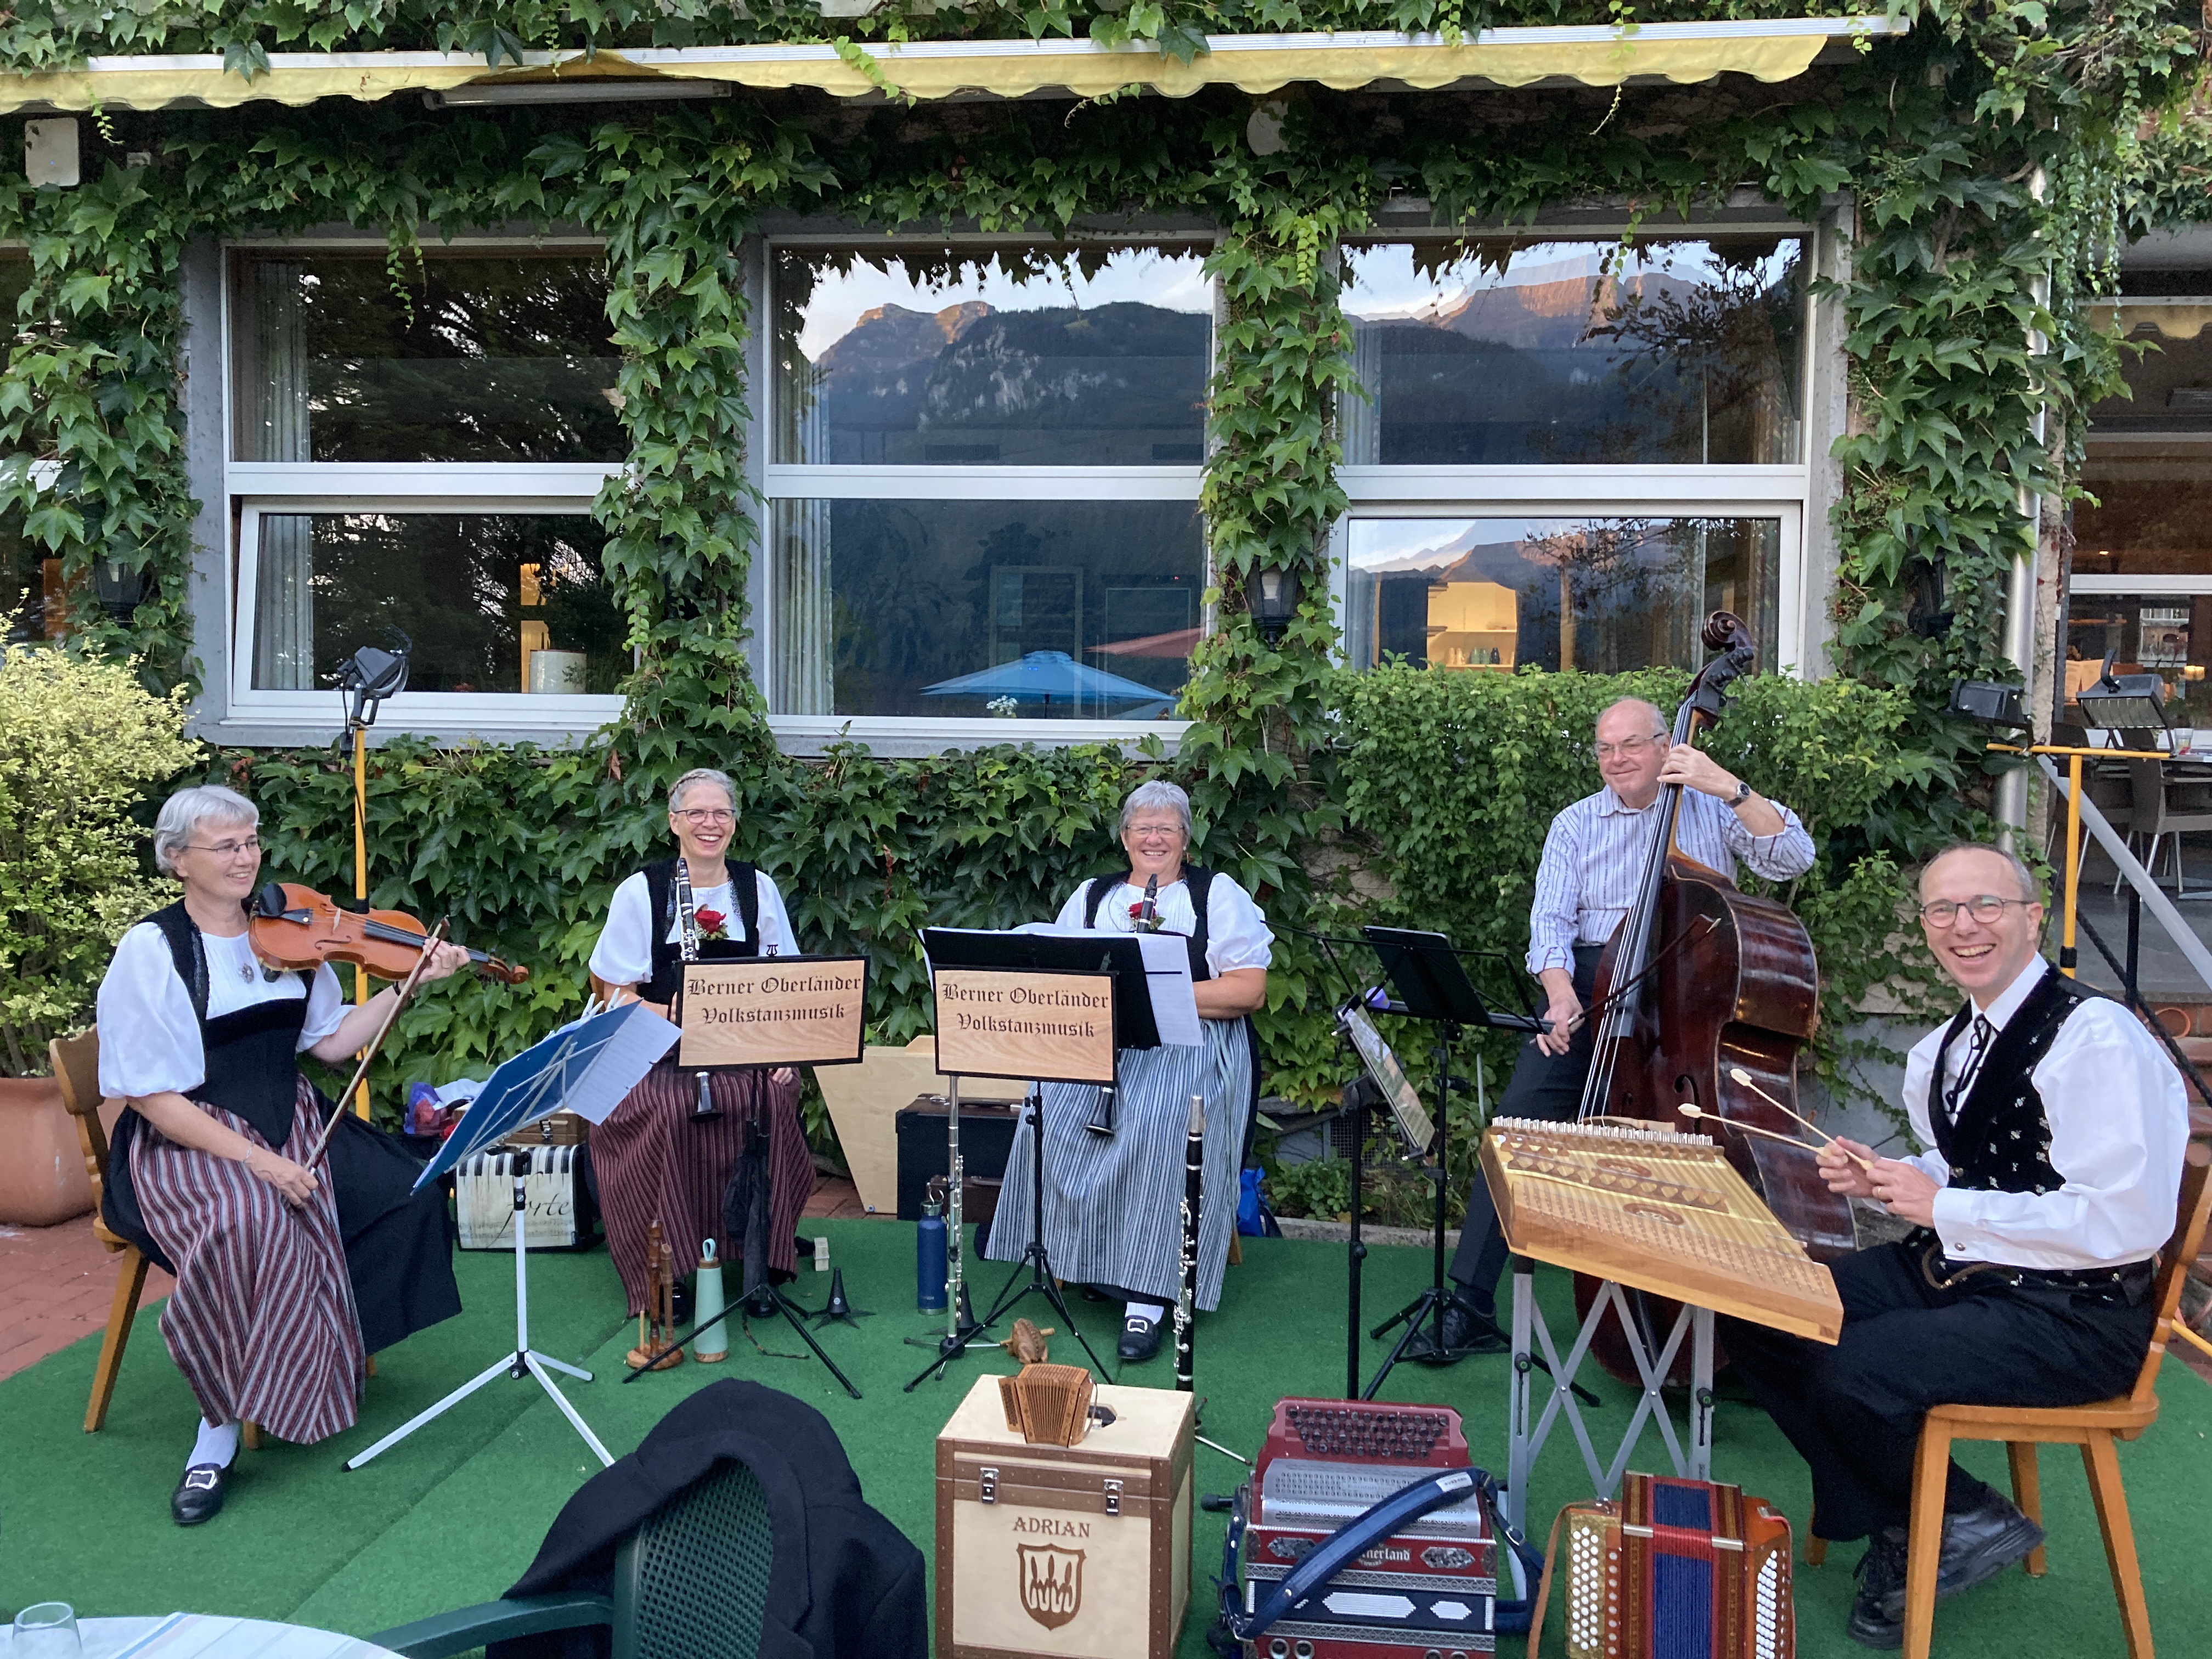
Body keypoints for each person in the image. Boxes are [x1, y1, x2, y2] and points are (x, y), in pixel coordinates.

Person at [1721, 843, 2186, 1649]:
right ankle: (1926, 1517)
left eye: (1986, 906)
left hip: (2075, 1312)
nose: (1963, 927)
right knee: (1765, 1309)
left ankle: (1949, 1518)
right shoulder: (1944, 1045)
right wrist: (1892, 1174)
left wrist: (1947, 1204)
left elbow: (2127, 1222)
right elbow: (1971, 1166)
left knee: (1855, 1367)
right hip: (1963, 1274)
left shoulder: (2097, 1040)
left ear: (2033, 918)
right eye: (1943, 910)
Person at [95, 785, 470, 1527]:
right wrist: (261, 1163)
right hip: (188, 1136)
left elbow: (328, 1045)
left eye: (252, 841)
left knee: (408, 1189)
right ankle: (218, 1430)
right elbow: (151, 1098)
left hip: (288, 1117)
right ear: (177, 860)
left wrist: (412, 982)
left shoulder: (286, 933)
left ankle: (324, 1350)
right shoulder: (154, 949)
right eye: (226, 846)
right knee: (249, 1219)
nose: (247, 858)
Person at [1438, 695, 1818, 1352]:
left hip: (1685, 994)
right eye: (1605, 749)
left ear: (1666, 744)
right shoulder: (1576, 822)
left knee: (1723, 1148)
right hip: (1591, 986)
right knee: (1515, 1135)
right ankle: (1469, 1306)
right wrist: (1559, 996)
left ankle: (1752, 1327)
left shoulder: (1707, 807)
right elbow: (1550, 923)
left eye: (1631, 746)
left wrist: (1728, 786)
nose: (1616, 761)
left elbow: (1793, 857)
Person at [984, 779, 1272, 1362]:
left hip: (1191, 1043)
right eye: (1143, 827)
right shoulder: (1093, 897)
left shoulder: (1216, 895)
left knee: (1162, 1115)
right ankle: (1077, 1256)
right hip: (1103, 1041)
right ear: (1124, 837)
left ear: (1185, 839)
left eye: (1167, 827)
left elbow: (1249, 990)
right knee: (1050, 1102)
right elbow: (1060, 977)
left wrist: (1157, 997)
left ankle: (1149, 1296)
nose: (1154, 837)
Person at [586, 768, 808, 1318]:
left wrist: (786, 1057)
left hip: (740, 1047)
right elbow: (613, 990)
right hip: (657, 1049)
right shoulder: (641, 891)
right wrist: (670, 1015)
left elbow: (789, 984)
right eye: (698, 814)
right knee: (664, 1111)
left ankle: (761, 1262)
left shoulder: (759, 888)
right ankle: (666, 1272)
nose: (710, 824)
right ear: (674, 822)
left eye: (722, 813)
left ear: (734, 822)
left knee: (771, 1100)